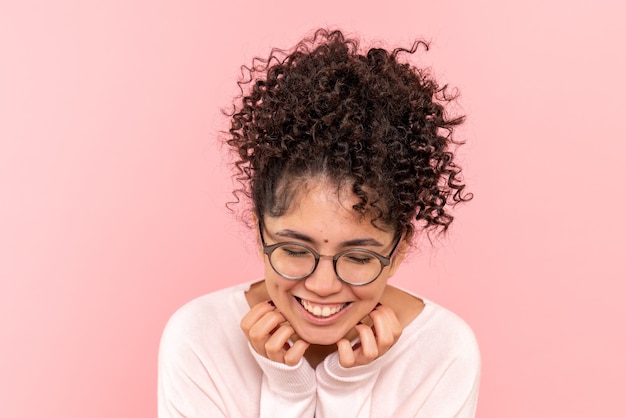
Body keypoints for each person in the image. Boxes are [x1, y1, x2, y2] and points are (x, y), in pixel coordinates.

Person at [158, 28, 480, 417]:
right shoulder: (199, 338)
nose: (323, 286)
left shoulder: (443, 353)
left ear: (398, 251)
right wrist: (288, 389)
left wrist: (345, 390)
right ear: (261, 233)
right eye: (294, 249)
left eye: (359, 257)